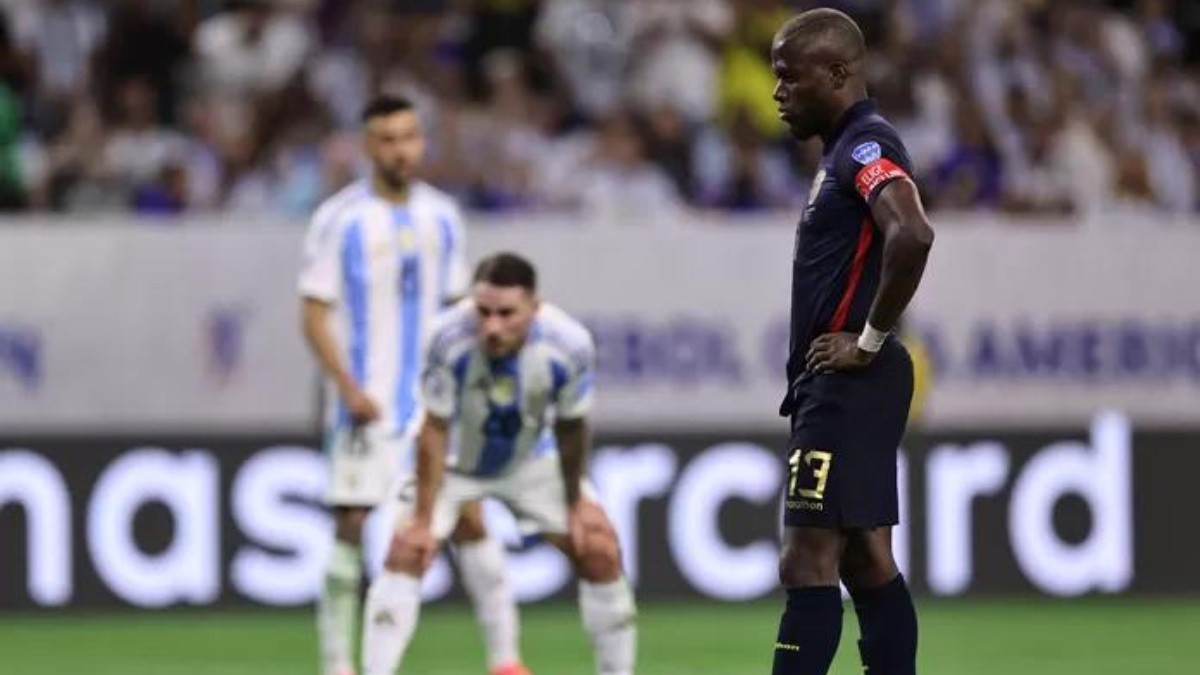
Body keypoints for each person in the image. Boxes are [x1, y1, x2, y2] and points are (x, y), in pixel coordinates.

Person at [299, 95, 528, 675]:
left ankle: (505, 660)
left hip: (434, 405)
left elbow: (461, 310)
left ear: (420, 142)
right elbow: (312, 313)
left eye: (408, 137)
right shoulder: (339, 218)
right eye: (386, 139)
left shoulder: (443, 217)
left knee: (469, 516)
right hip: (366, 401)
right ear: (366, 147)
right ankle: (337, 665)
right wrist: (348, 387)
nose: (400, 149)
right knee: (351, 522)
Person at [362, 253, 637, 675]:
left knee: (599, 547)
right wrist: (421, 519)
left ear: (533, 305)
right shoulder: (448, 337)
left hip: (529, 459)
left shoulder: (570, 345)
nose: (492, 326)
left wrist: (576, 501)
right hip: (453, 460)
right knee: (406, 549)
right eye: (483, 311)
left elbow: (571, 426)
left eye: (506, 313)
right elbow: (434, 428)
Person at [769, 9, 935, 675]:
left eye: (788, 78)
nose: (778, 93)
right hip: (846, 382)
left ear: (838, 73)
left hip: (848, 381)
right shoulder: (844, 151)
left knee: (806, 556)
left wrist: (867, 340)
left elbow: (913, 232)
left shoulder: (865, 146)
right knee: (866, 556)